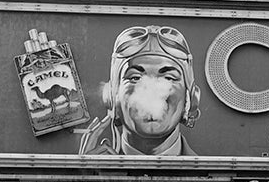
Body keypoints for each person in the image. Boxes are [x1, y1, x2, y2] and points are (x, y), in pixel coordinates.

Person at [79, 25, 201, 155]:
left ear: (190, 98)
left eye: (169, 78)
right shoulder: (93, 171)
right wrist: (82, 172)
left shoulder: (206, 175)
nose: (152, 91)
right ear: (112, 97)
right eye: (135, 78)